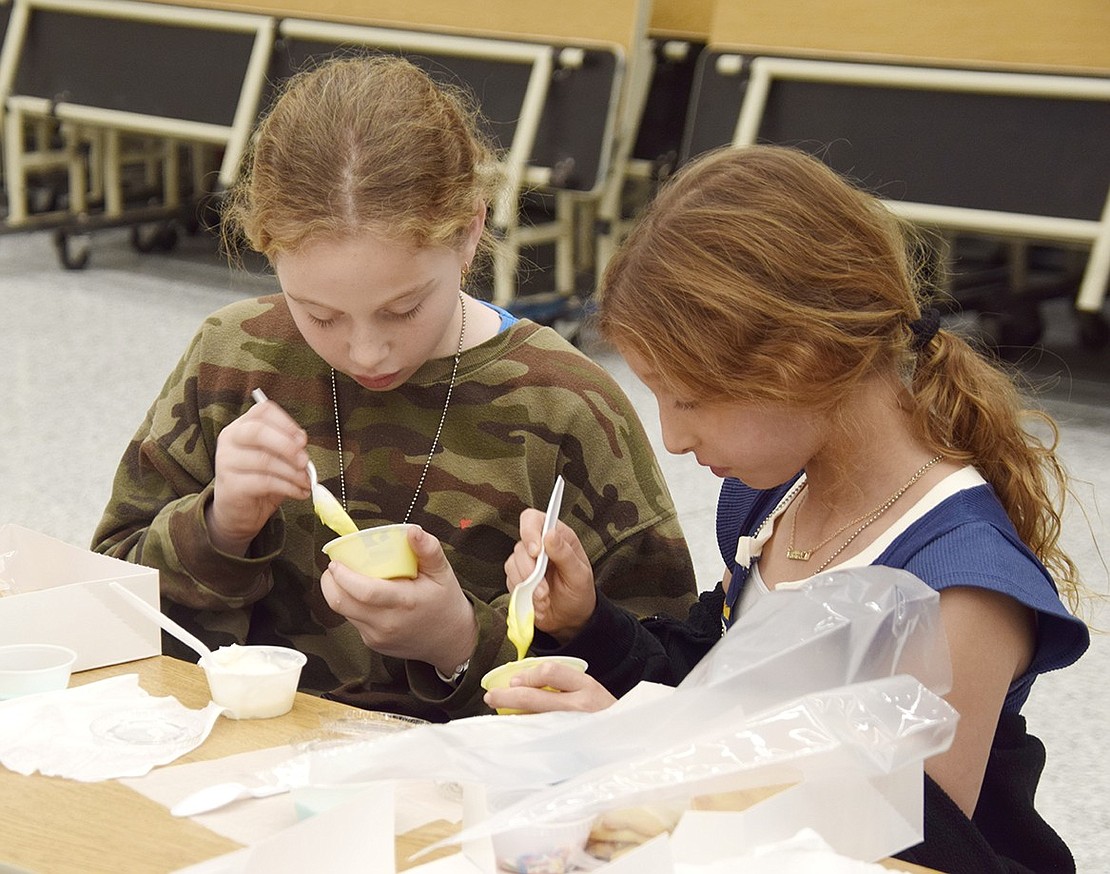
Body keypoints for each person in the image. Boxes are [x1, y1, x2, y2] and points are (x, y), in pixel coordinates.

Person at [486, 146, 1090, 872]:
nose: (673, 439)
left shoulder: (961, 586)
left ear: (801, 359)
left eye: (691, 399)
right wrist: (592, 626)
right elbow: (721, 690)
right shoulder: (772, 499)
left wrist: (645, 751)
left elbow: (911, 846)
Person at [91, 55, 696, 723]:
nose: (366, 350)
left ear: (470, 232)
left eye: (404, 309)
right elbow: (109, 613)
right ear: (269, 252)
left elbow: (652, 687)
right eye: (318, 314)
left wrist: (460, 644)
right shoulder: (233, 360)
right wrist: (220, 526)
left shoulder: (567, 406)